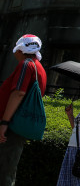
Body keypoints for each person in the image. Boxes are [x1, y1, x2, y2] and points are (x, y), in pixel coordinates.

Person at [0, 34, 47, 186]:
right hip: (19, 125)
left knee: (4, 170)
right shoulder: (40, 68)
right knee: (8, 168)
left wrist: (4, 122)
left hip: (11, 125)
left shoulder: (26, 65)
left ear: (20, 50)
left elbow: (18, 93)